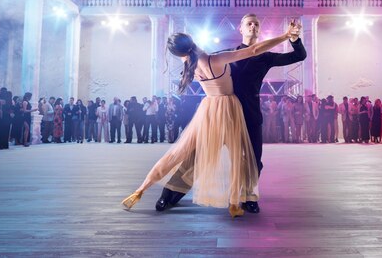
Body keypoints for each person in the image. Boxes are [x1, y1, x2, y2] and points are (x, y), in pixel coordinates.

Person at [122, 25, 299, 218]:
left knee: (179, 153)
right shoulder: (215, 59)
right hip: (229, 108)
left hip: (208, 109)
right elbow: (254, 50)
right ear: (192, 41)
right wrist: (284, 35)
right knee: (236, 158)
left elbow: (186, 54)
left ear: (179, 53)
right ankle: (233, 202)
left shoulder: (189, 64)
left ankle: (140, 190)